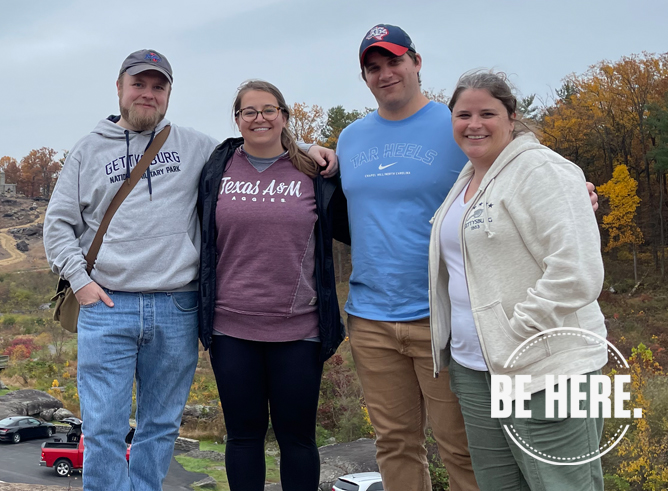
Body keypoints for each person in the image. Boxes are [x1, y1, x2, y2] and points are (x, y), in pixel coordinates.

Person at [43, 50, 337, 491]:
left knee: (159, 427)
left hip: (177, 308)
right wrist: (81, 284)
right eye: (138, 84)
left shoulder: (197, 147)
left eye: (157, 86)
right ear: (120, 88)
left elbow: (255, 146)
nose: (148, 93)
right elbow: (57, 224)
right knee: (103, 429)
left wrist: (308, 148)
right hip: (108, 305)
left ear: (168, 94)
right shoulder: (87, 150)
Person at [336, 25, 599, 491]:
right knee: (394, 443)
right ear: (364, 77)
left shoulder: (456, 123)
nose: (385, 73)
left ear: (417, 63)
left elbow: (522, 172)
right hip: (371, 317)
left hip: (442, 321)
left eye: (394, 61)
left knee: (462, 448)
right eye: (373, 67)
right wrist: (310, 151)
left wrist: (577, 195)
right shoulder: (351, 139)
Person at [428, 71, 607, 490]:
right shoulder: (467, 180)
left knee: (564, 485)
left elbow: (578, 271)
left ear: (511, 117)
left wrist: (517, 331)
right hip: (476, 371)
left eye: (487, 113)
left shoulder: (541, 170)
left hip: (547, 369)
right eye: (463, 114)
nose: (474, 124)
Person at [196, 80, 348, 491]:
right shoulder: (218, 167)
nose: (259, 118)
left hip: (299, 330)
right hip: (231, 328)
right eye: (250, 111)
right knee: (243, 438)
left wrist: (318, 148)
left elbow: (352, 229)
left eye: (268, 110)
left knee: (296, 439)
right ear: (238, 120)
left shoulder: (314, 171)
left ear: (284, 115)